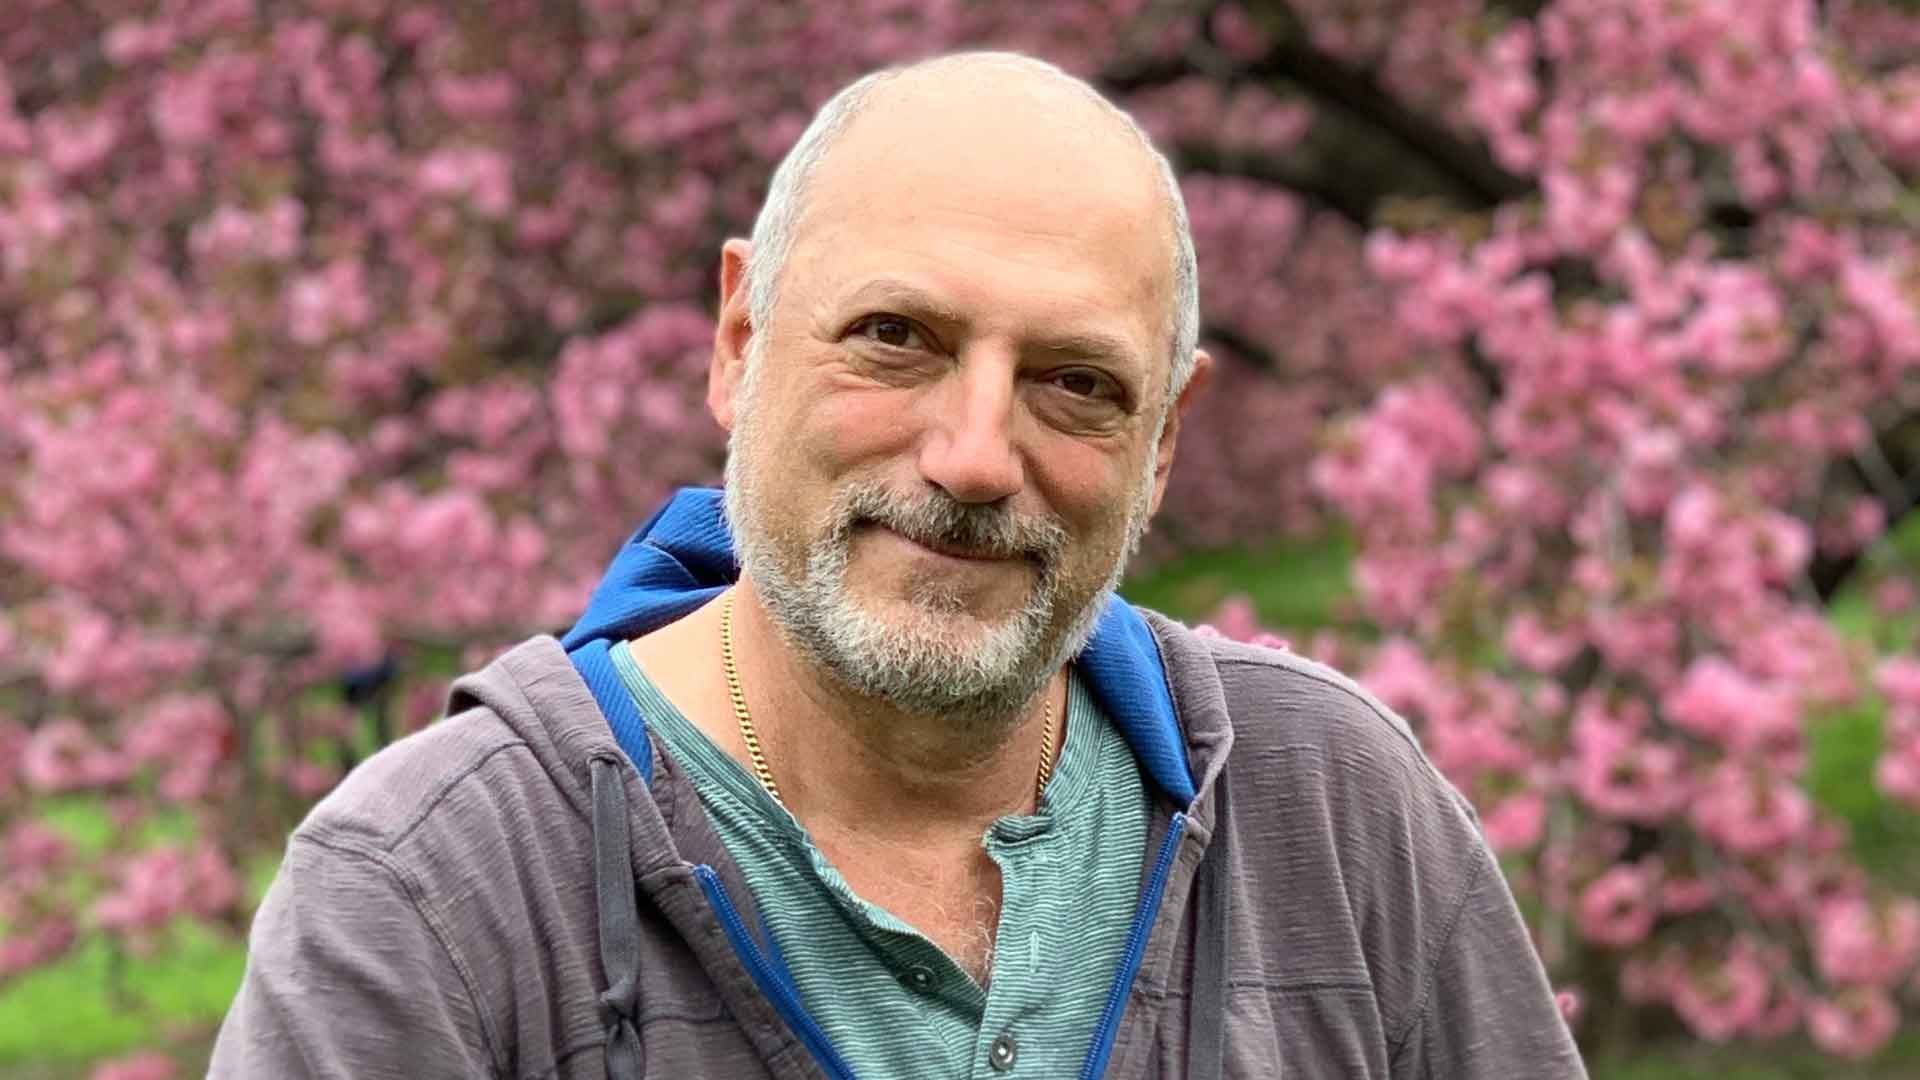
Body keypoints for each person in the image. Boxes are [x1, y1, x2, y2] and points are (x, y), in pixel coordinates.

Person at [210, 51, 1585, 1079]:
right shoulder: (431, 894)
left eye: (1076, 383)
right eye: (896, 338)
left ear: (1165, 441)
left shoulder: (1333, 815)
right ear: (740, 340)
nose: (975, 456)